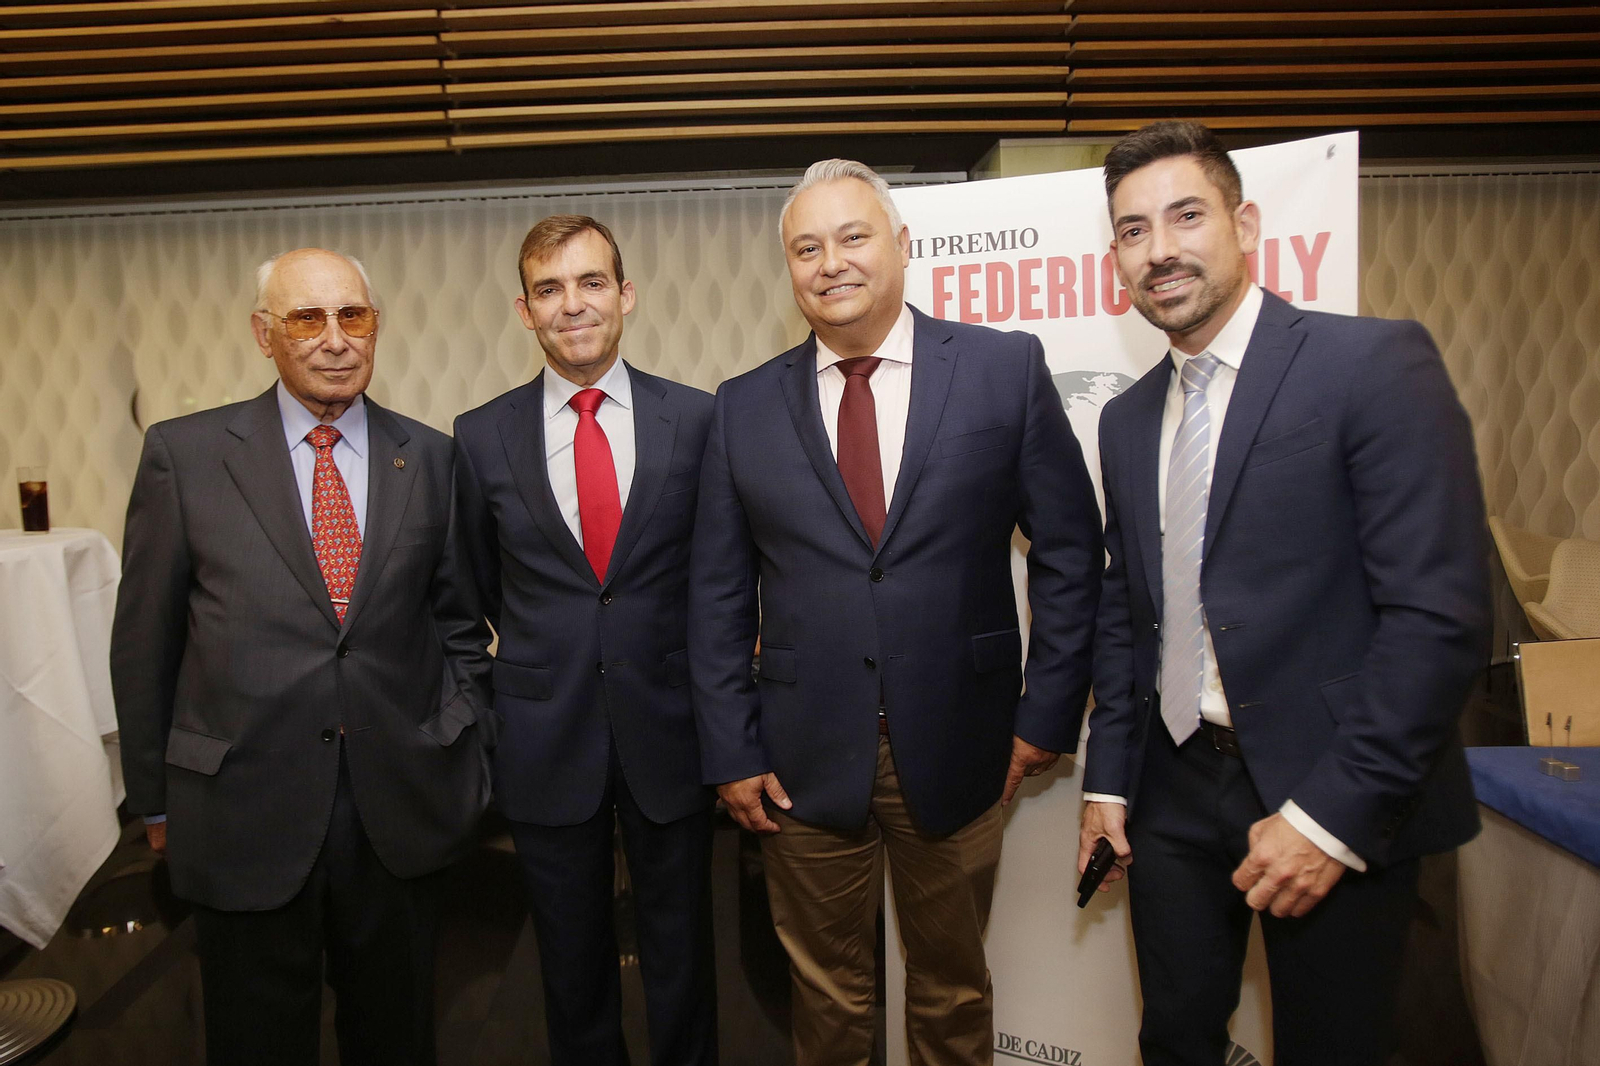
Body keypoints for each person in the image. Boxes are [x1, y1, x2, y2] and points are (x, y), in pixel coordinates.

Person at [1079, 120, 1491, 1066]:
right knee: (1176, 1040)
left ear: (1246, 223)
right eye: (1133, 230)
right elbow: (1127, 607)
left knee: (1335, 1047)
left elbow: (1439, 618)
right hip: (1173, 786)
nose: (1161, 249)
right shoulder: (1127, 419)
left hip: (1334, 784)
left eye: (1186, 216)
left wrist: (1330, 818)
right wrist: (1108, 776)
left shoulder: (1370, 366)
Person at [689, 159, 1102, 1066]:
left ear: (903, 246)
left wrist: (1044, 718)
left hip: (964, 742)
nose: (830, 262)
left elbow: (1073, 554)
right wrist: (731, 749)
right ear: (789, 268)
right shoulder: (743, 406)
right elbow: (717, 594)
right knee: (828, 995)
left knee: (953, 986)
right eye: (807, 247)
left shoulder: (1005, 369)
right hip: (801, 756)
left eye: (852, 236)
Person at [111, 247, 494, 1066]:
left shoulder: (429, 456)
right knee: (257, 1042)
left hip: (399, 807)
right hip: (241, 809)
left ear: (375, 327)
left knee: (396, 1036)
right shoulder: (185, 455)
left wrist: (467, 744)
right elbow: (145, 641)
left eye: (352, 316)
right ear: (264, 334)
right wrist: (153, 798)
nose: (334, 339)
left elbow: (458, 622)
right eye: (307, 318)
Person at [453, 215, 718, 1066]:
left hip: (671, 725)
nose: (573, 305)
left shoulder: (699, 420)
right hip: (544, 731)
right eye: (549, 289)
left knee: (683, 951)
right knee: (568, 960)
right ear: (524, 310)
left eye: (591, 282)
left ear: (626, 295)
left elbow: (718, 581)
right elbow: (472, 593)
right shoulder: (478, 435)